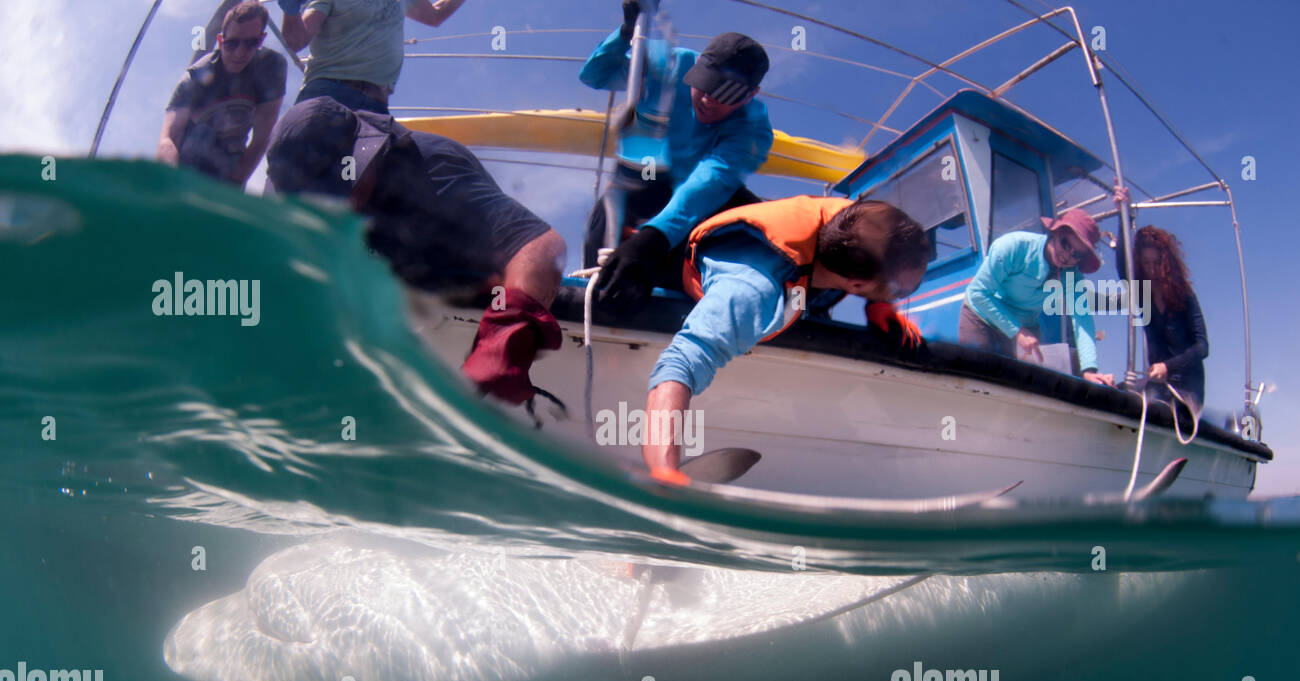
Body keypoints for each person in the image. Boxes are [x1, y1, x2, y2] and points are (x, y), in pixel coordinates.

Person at [266, 96, 566, 407]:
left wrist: (506, 339)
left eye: (339, 191)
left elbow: (541, 246)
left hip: (464, 290)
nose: (338, 209)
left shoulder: (435, 169)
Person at [642, 196, 929, 475]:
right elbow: (679, 366)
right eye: (901, 292)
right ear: (855, 283)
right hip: (718, 277)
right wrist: (664, 472)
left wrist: (879, 303)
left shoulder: (856, 223)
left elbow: (876, 241)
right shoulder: (752, 292)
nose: (904, 296)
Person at [580, 5, 775, 305]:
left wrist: (653, 237)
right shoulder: (669, 64)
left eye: (727, 94)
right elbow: (595, 75)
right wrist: (625, 32)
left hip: (700, 201)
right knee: (615, 199)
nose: (709, 100)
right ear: (696, 65)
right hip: (647, 177)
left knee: (757, 219)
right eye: (705, 85)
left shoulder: (754, 128)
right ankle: (605, 280)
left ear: (751, 94)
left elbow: (710, 181)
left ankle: (716, 290)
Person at [959, 208, 1114, 386]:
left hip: (1026, 325)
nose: (1067, 255)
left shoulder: (1072, 275)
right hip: (981, 316)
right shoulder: (1012, 246)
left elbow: (1082, 319)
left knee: (1029, 383)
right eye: (1065, 243)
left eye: (1076, 254)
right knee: (980, 379)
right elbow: (978, 293)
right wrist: (1018, 331)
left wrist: (1089, 370)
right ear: (1054, 233)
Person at [157, 2, 287, 186]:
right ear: (220, 40)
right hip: (190, 155)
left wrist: (235, 183)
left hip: (231, 157)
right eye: (232, 43)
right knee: (202, 137)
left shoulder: (271, 68)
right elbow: (168, 138)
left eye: (252, 43)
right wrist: (172, 182)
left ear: (262, 38)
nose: (240, 52)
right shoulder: (194, 78)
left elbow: (262, 136)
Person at [276, 0, 466, 114]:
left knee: (360, 177)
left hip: (377, 104)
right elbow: (296, 40)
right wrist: (290, 10)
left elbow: (436, 15)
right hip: (328, 93)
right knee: (306, 172)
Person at [1112, 188, 1209, 407]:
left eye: (1157, 263)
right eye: (1146, 263)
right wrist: (1123, 214)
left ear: (1166, 263)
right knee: (1119, 395)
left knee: (1161, 405)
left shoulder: (1185, 295)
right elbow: (1122, 265)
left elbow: (1203, 347)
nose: (1152, 269)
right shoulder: (1142, 292)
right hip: (1157, 385)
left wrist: (1168, 366)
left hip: (1187, 387)